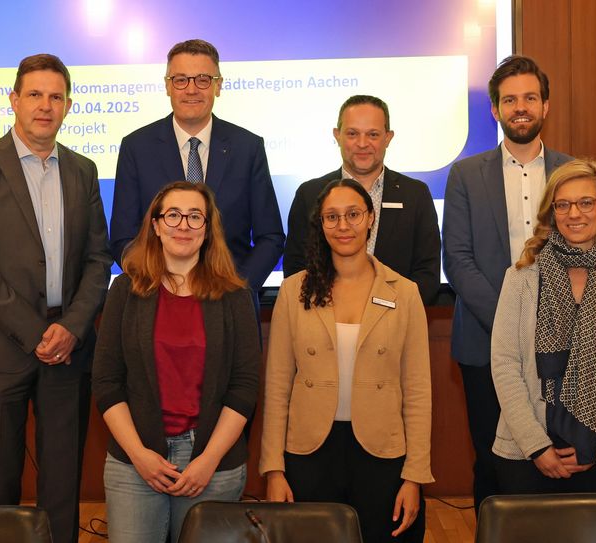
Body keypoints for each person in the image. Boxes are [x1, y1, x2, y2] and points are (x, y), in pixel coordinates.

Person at [0, 54, 111, 543]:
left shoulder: (83, 170)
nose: (45, 106)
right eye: (35, 95)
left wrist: (72, 328)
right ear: (14, 100)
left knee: (62, 481)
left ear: (68, 106)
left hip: (68, 347)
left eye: (56, 97)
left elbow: (98, 260)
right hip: (0, 348)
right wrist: (38, 332)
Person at [261, 178, 433, 543]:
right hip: (309, 451)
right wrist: (274, 469)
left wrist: (414, 476)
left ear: (370, 218)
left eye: (353, 214)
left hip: (382, 453)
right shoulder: (294, 291)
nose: (343, 225)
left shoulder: (404, 293)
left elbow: (418, 391)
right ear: (321, 225)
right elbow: (277, 387)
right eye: (332, 217)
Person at [93, 181, 260, 543]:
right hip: (135, 461)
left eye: (195, 216)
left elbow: (244, 387)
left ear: (208, 228)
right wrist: (139, 455)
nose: (183, 225)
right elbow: (107, 382)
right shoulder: (125, 291)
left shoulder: (235, 296)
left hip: (212, 463)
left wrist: (208, 460)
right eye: (173, 215)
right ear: (155, 225)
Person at [441, 55, 572, 512]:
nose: (521, 108)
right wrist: (512, 322)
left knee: (558, 454)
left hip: (564, 339)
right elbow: (458, 260)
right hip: (485, 341)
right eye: (510, 100)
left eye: (529, 98)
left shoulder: (573, 172)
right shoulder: (465, 175)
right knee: (492, 459)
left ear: (545, 106)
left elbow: (587, 255)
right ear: (495, 110)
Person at [490, 159, 596, 493]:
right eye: (563, 205)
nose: (574, 213)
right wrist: (536, 446)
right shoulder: (521, 278)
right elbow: (505, 365)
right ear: (552, 213)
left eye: (586, 202)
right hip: (528, 456)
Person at [109, 38, 284, 297]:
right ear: (168, 86)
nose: (191, 90)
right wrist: (161, 287)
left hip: (230, 300)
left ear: (218, 85)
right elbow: (123, 239)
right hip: (157, 301)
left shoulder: (248, 147)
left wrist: (236, 290)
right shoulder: (136, 147)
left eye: (203, 79)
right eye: (180, 80)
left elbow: (270, 237)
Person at [283, 95, 442, 305]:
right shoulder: (309, 194)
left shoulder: (415, 195)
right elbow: (296, 270)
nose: (362, 143)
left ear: (388, 138)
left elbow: (427, 274)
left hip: (395, 319)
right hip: (324, 317)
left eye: (373, 134)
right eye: (352, 133)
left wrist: (386, 312)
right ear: (337, 135)